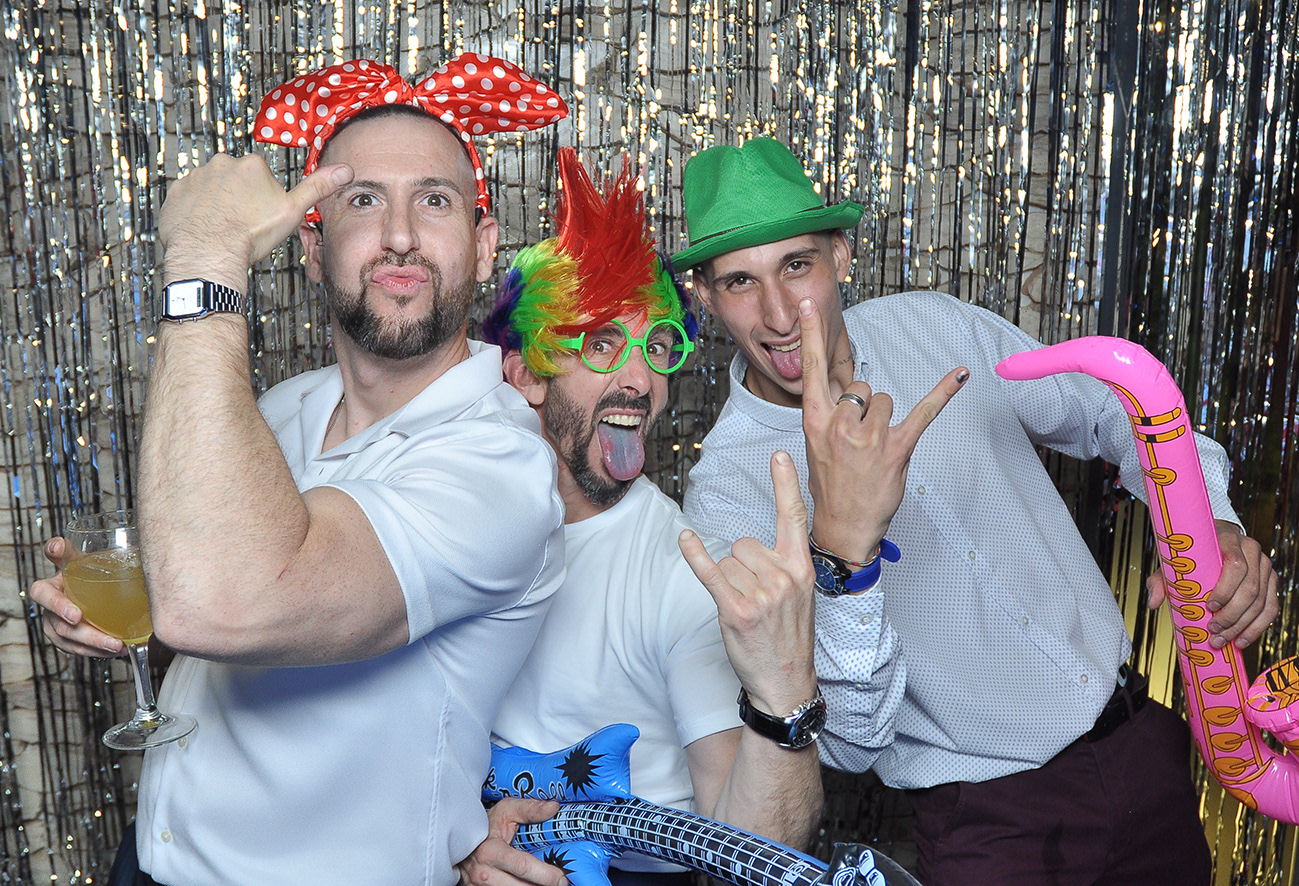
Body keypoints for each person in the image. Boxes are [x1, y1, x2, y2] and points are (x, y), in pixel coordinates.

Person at [675, 137, 1281, 886]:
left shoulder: (936, 328)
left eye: (796, 265)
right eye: (740, 281)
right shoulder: (726, 495)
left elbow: (1116, 411)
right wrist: (844, 550)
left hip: (1141, 752)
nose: (777, 313)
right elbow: (852, 743)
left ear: (841, 256)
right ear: (705, 297)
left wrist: (1206, 521)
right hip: (994, 830)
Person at [30, 56, 569, 886]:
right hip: (149, 858)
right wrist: (137, 622)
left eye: (434, 200)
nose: (399, 234)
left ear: (484, 243)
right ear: (314, 249)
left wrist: (204, 258)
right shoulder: (281, 408)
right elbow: (208, 615)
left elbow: (231, 601)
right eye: (363, 200)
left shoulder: (501, 468)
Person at [460, 149, 964, 886]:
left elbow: (754, 845)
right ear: (524, 373)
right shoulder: (450, 523)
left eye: (657, 346)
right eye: (602, 344)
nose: (641, 379)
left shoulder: (683, 568)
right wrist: (459, 840)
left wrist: (782, 697)